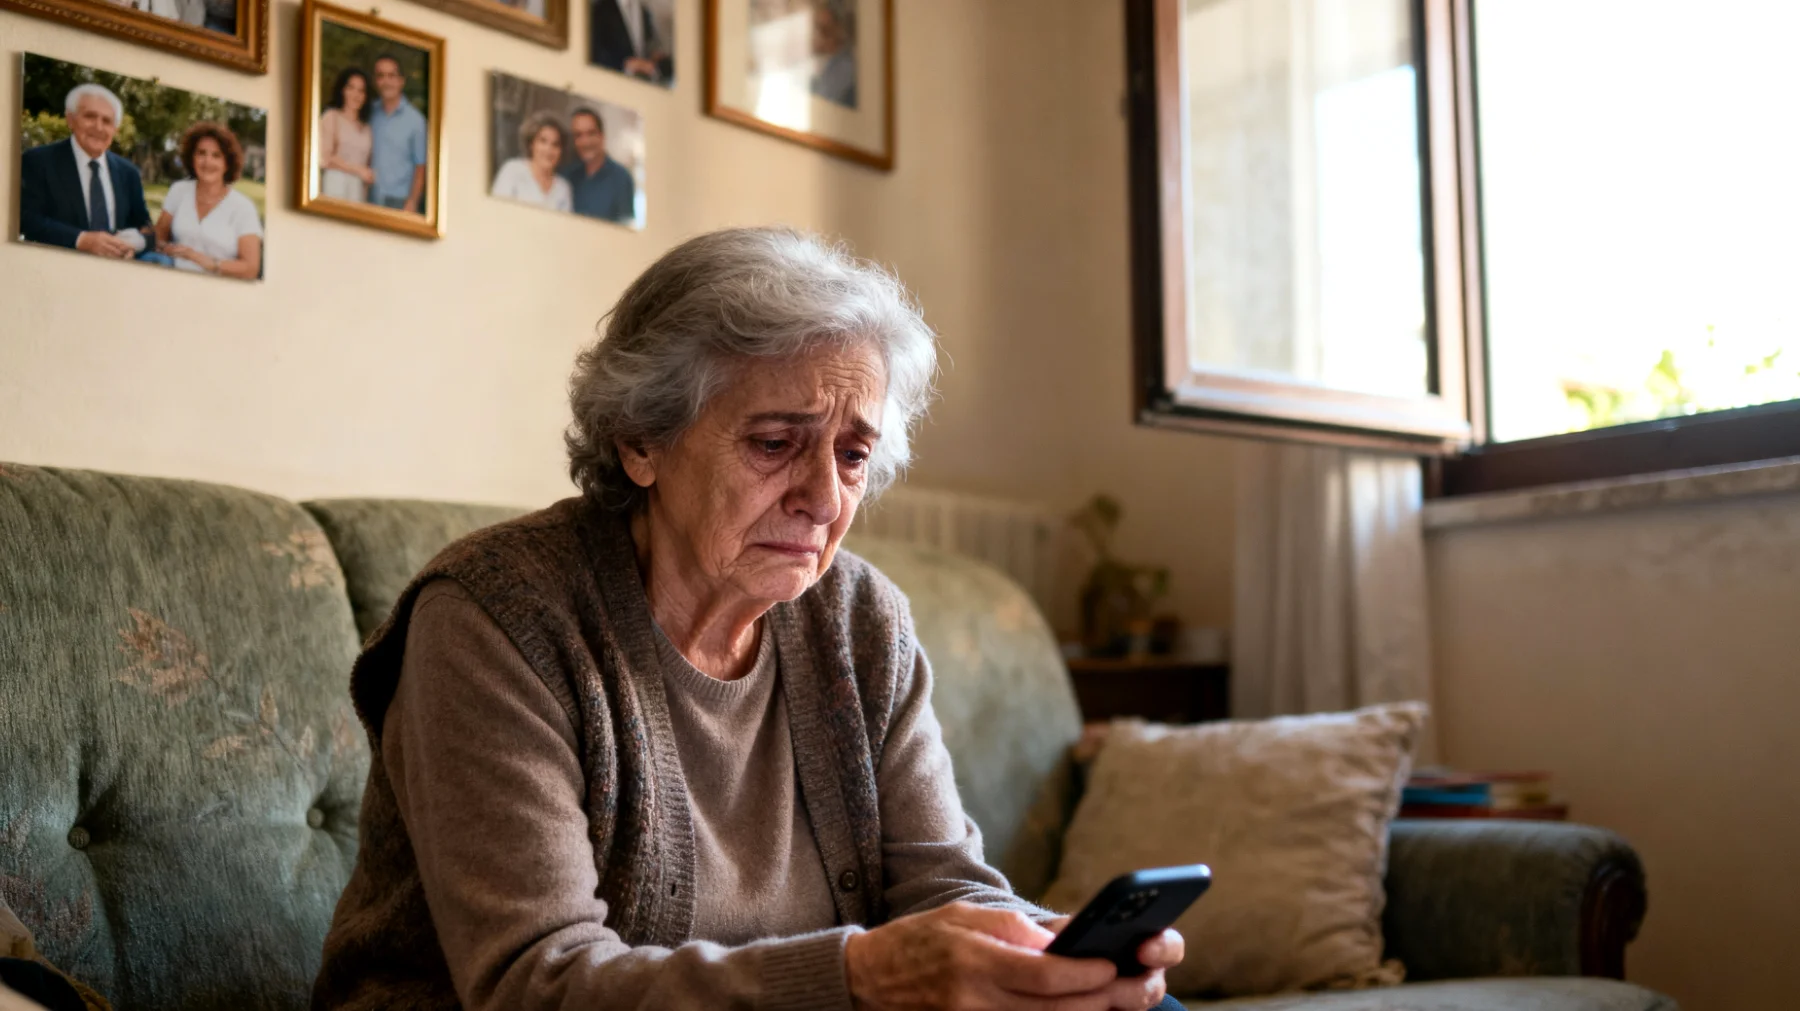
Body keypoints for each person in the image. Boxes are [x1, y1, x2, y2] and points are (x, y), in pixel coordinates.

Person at [312, 227, 1187, 1011]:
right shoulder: (497, 621)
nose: (825, 498)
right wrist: (859, 974)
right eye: (775, 444)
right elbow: (536, 984)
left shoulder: (862, 620)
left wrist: (1044, 954)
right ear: (640, 440)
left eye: (853, 454)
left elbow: (945, 887)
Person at [18, 83, 158, 261]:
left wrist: (134, 245)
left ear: (115, 129)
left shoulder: (128, 172)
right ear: (70, 120)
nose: (98, 127)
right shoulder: (37, 161)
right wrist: (81, 240)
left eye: (107, 121)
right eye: (90, 116)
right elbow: (26, 219)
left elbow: (145, 227)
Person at [154, 121, 263, 280]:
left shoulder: (243, 207)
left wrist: (207, 262)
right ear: (192, 158)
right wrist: (164, 247)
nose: (207, 162)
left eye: (216, 155)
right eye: (201, 153)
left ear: (227, 164)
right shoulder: (179, 190)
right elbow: (160, 235)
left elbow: (250, 268)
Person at [367, 53, 428, 212]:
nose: (386, 81)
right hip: (369, 198)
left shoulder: (416, 121)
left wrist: (412, 202)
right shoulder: (369, 113)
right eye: (381, 76)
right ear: (375, 81)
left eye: (391, 76)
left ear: (401, 81)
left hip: (399, 202)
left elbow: (421, 167)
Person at [560, 106, 635, 223]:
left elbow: (625, 226)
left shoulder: (622, 178)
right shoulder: (567, 176)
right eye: (578, 135)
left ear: (602, 135)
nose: (585, 142)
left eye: (591, 133)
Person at [491, 111, 573, 213]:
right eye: (543, 141)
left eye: (555, 144)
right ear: (531, 144)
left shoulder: (563, 188)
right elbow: (496, 212)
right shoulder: (512, 171)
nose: (549, 149)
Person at [318, 67, 374, 202]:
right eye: (351, 88)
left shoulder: (366, 128)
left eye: (361, 90)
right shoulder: (331, 117)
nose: (356, 95)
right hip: (334, 184)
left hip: (357, 190)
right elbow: (325, 157)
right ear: (342, 90)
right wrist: (358, 170)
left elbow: (367, 165)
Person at [591, 0, 671, 85]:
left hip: (643, 83)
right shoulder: (599, 9)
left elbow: (647, 44)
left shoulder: (643, 8)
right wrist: (625, 65)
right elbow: (596, 54)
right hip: (614, 83)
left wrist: (654, 56)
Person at [811, 0, 857, 108]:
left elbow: (824, 100)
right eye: (817, 29)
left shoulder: (846, 67)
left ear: (839, 29)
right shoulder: (823, 62)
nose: (819, 38)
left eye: (826, 31)